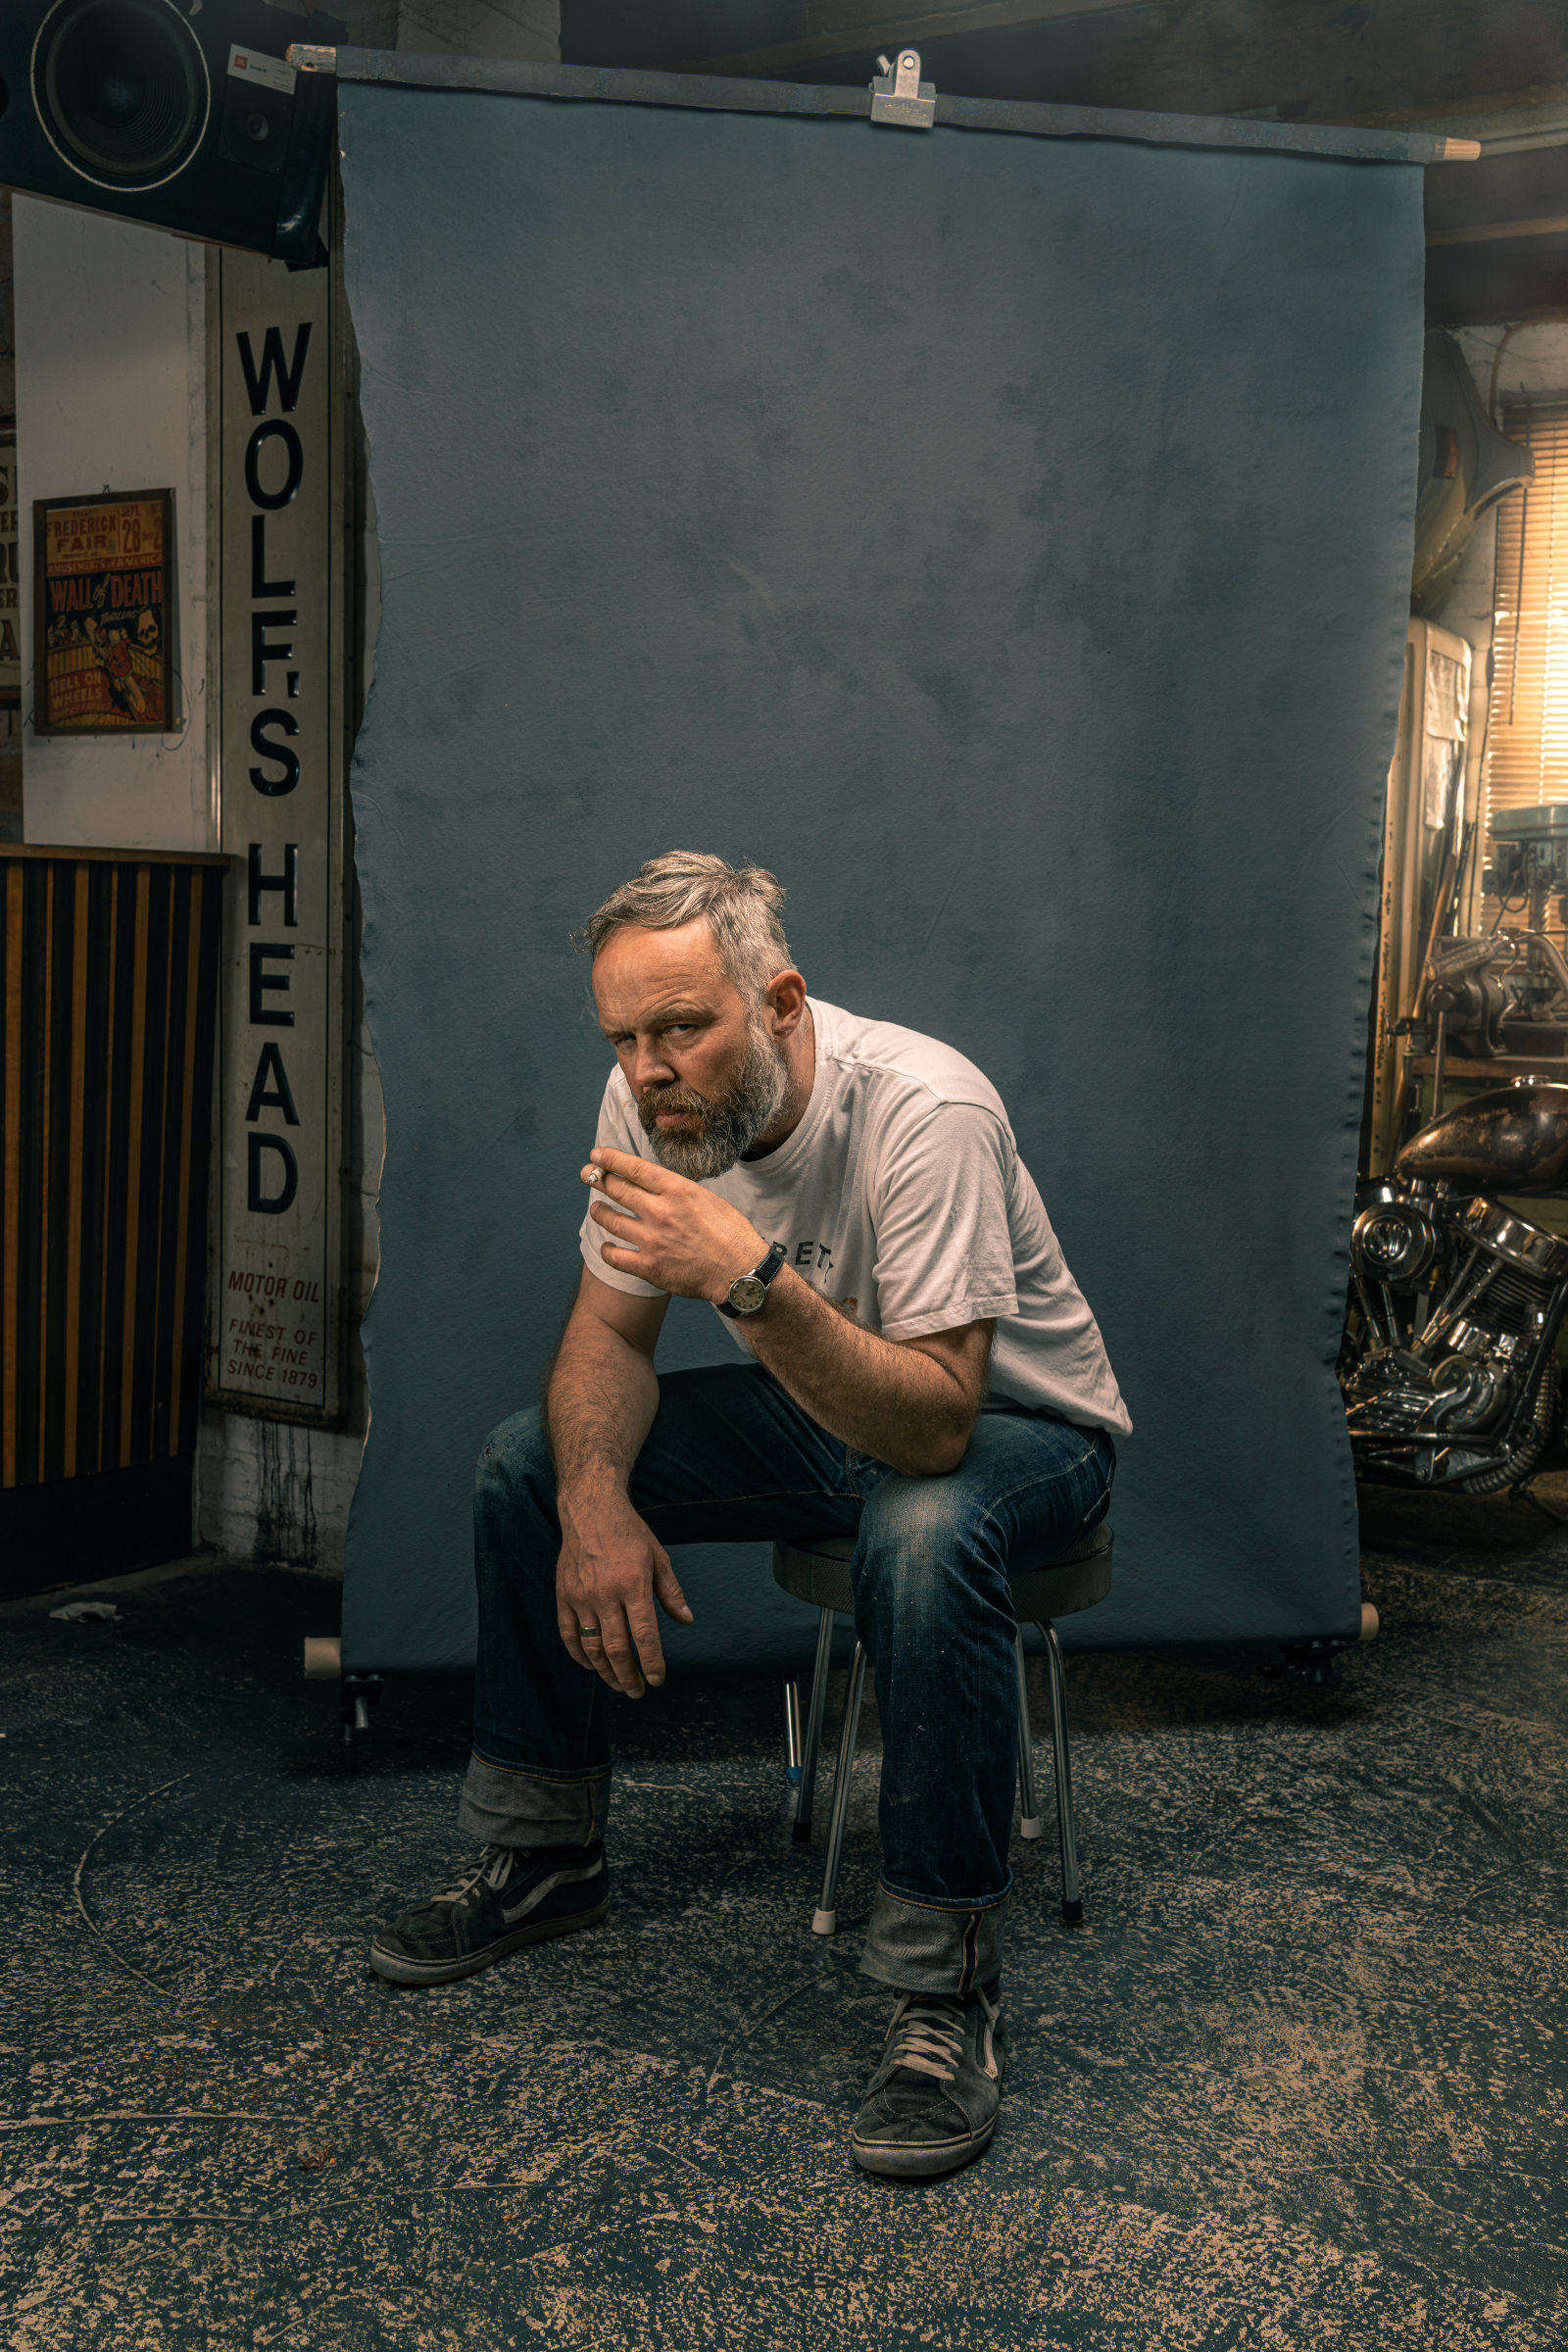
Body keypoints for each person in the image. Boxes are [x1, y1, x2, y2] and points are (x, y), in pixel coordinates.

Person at [370, 852, 1130, 2180]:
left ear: (778, 1002)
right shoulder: (642, 1104)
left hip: (1021, 1429)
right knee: (528, 1464)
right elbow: (606, 1339)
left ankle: (942, 1982)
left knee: (923, 1525)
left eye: (682, 1028)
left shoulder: (925, 1110)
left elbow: (936, 1425)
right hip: (826, 1400)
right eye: (626, 1037)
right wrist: (597, 1497)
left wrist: (748, 1275)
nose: (650, 1068)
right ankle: (545, 1854)